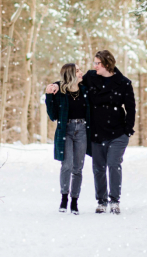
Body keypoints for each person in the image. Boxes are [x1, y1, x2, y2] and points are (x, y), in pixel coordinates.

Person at [46, 50, 135, 215]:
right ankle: (99, 201)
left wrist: (128, 130)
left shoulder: (123, 83)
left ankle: (113, 200)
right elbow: (68, 81)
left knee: (112, 165)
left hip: (114, 132)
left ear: (107, 64)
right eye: (94, 63)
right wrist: (54, 87)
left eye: (97, 63)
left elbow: (130, 108)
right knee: (95, 168)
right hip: (94, 132)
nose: (93, 66)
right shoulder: (90, 78)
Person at [45, 63, 92, 215]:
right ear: (70, 74)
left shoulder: (85, 89)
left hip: (82, 130)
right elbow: (53, 116)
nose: (81, 73)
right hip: (66, 130)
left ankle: (74, 201)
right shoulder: (60, 92)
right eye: (78, 71)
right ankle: (64, 198)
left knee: (78, 168)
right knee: (67, 165)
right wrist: (48, 95)